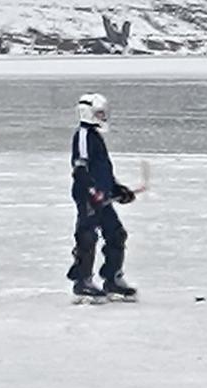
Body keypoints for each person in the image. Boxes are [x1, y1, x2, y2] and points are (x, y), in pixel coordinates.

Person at [66, 93, 138, 304]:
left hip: (102, 197)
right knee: (87, 237)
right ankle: (83, 282)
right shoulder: (83, 135)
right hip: (88, 197)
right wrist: (92, 192)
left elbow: (102, 171)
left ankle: (112, 279)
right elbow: (80, 170)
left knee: (116, 234)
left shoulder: (96, 136)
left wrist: (117, 190)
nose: (103, 117)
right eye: (99, 113)